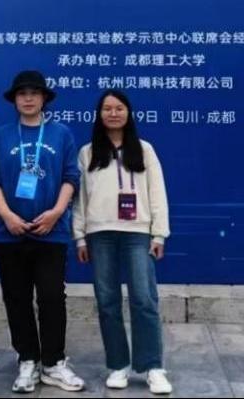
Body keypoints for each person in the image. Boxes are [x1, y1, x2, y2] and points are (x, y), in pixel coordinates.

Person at [0, 70, 85, 393]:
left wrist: (56, 213)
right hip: (9, 231)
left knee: (52, 297)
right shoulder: (1, 135)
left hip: (50, 232)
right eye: (22, 93)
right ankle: (27, 360)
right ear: (14, 99)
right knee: (17, 297)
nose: (28, 98)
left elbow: (71, 177)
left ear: (44, 98)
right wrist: (7, 215)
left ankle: (53, 362)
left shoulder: (61, 133)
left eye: (34, 93)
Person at [74, 89, 173, 394]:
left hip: (137, 233)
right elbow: (80, 199)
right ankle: (118, 365)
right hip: (99, 233)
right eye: (107, 108)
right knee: (107, 301)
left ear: (128, 113)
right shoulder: (88, 152)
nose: (113, 113)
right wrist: (80, 237)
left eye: (119, 108)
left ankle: (153, 366)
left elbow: (157, 193)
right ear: (99, 114)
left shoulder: (144, 150)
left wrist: (159, 233)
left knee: (144, 299)